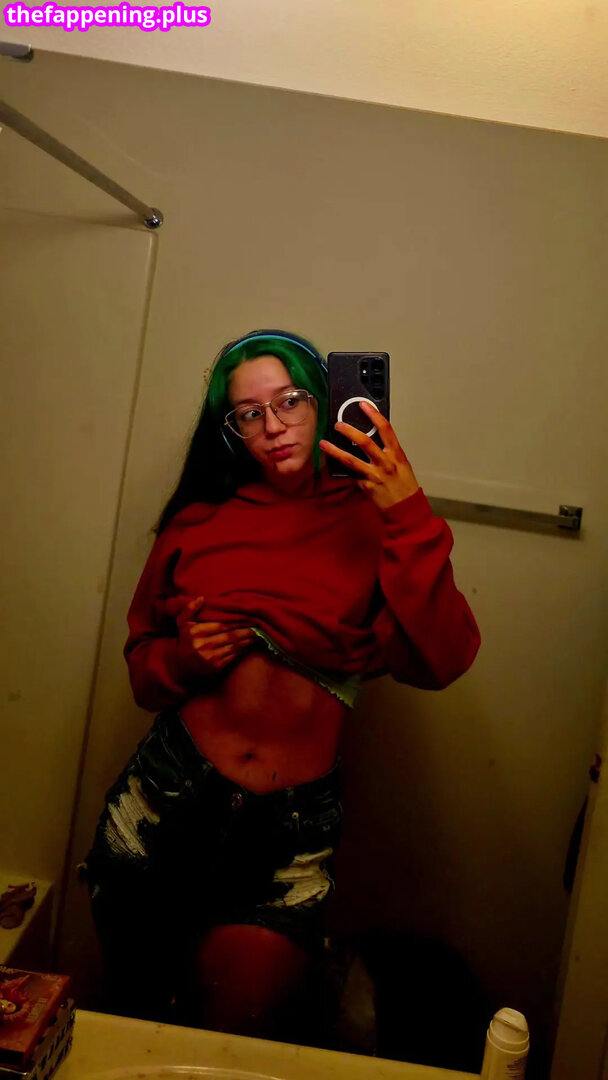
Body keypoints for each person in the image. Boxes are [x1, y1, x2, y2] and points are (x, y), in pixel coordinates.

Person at [80, 329, 480, 1038]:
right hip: (164, 802)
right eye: (249, 413)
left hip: (286, 830)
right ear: (230, 430)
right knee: (131, 1020)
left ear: (322, 401)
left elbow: (442, 660)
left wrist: (407, 508)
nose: (273, 426)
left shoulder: (374, 521)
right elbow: (144, 671)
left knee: (233, 1039)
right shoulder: (198, 523)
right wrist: (185, 659)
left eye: (290, 401)